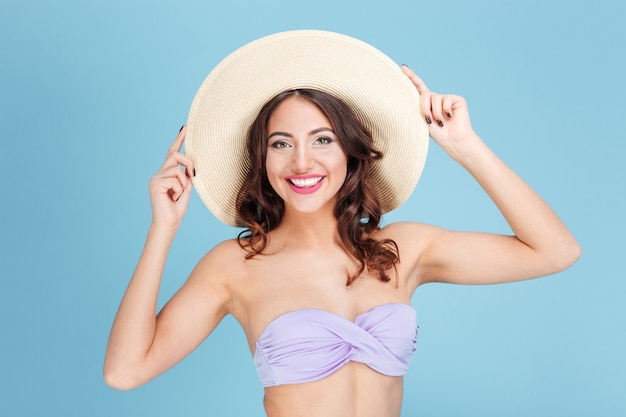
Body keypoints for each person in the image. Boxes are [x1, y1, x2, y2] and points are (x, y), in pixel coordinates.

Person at [104, 31, 580, 417]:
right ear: (261, 159)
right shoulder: (235, 265)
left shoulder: (403, 250)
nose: (301, 162)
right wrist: (162, 229)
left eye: (323, 139)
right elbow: (125, 371)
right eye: (281, 144)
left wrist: (466, 147)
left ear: (350, 152)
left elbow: (555, 252)